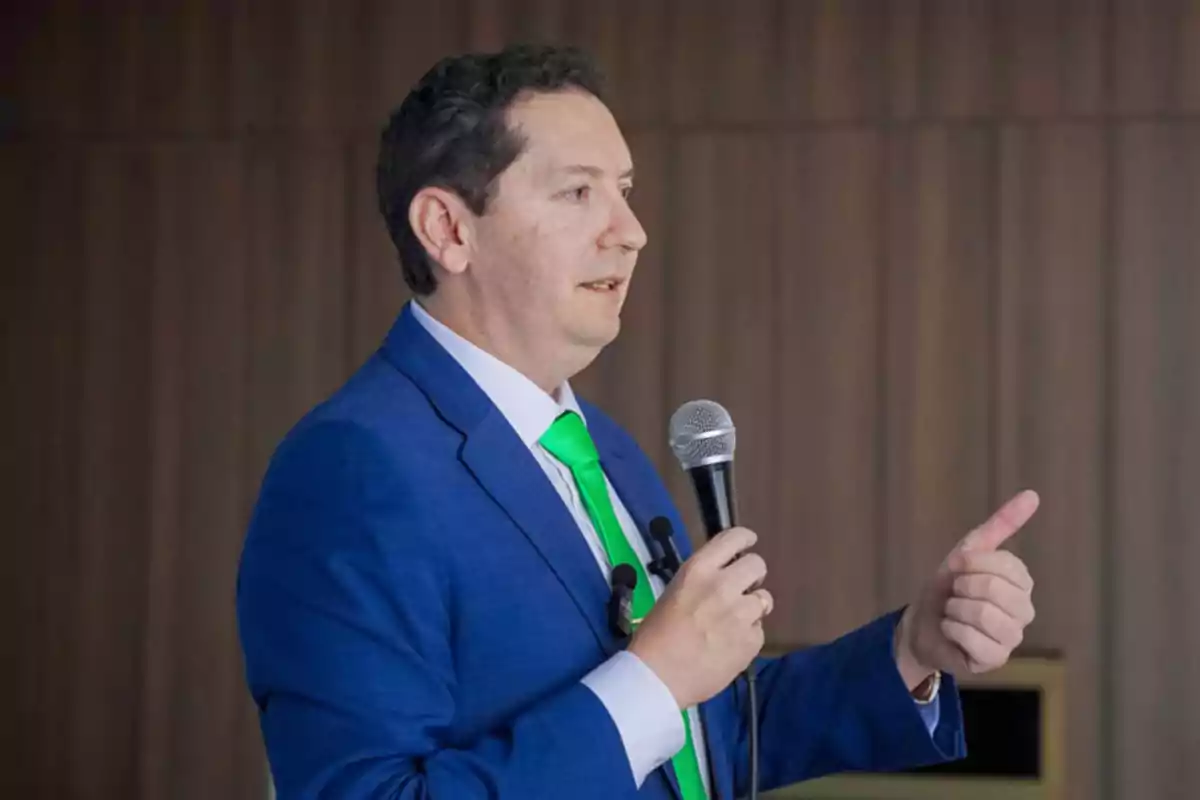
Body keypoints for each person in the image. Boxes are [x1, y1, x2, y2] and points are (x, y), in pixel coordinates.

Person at [236, 44, 1040, 799]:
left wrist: (913, 649)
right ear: (449, 229)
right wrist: (649, 682)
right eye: (579, 191)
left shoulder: (602, 449)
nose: (631, 231)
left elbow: (705, 733)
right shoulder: (352, 469)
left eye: (626, 190)